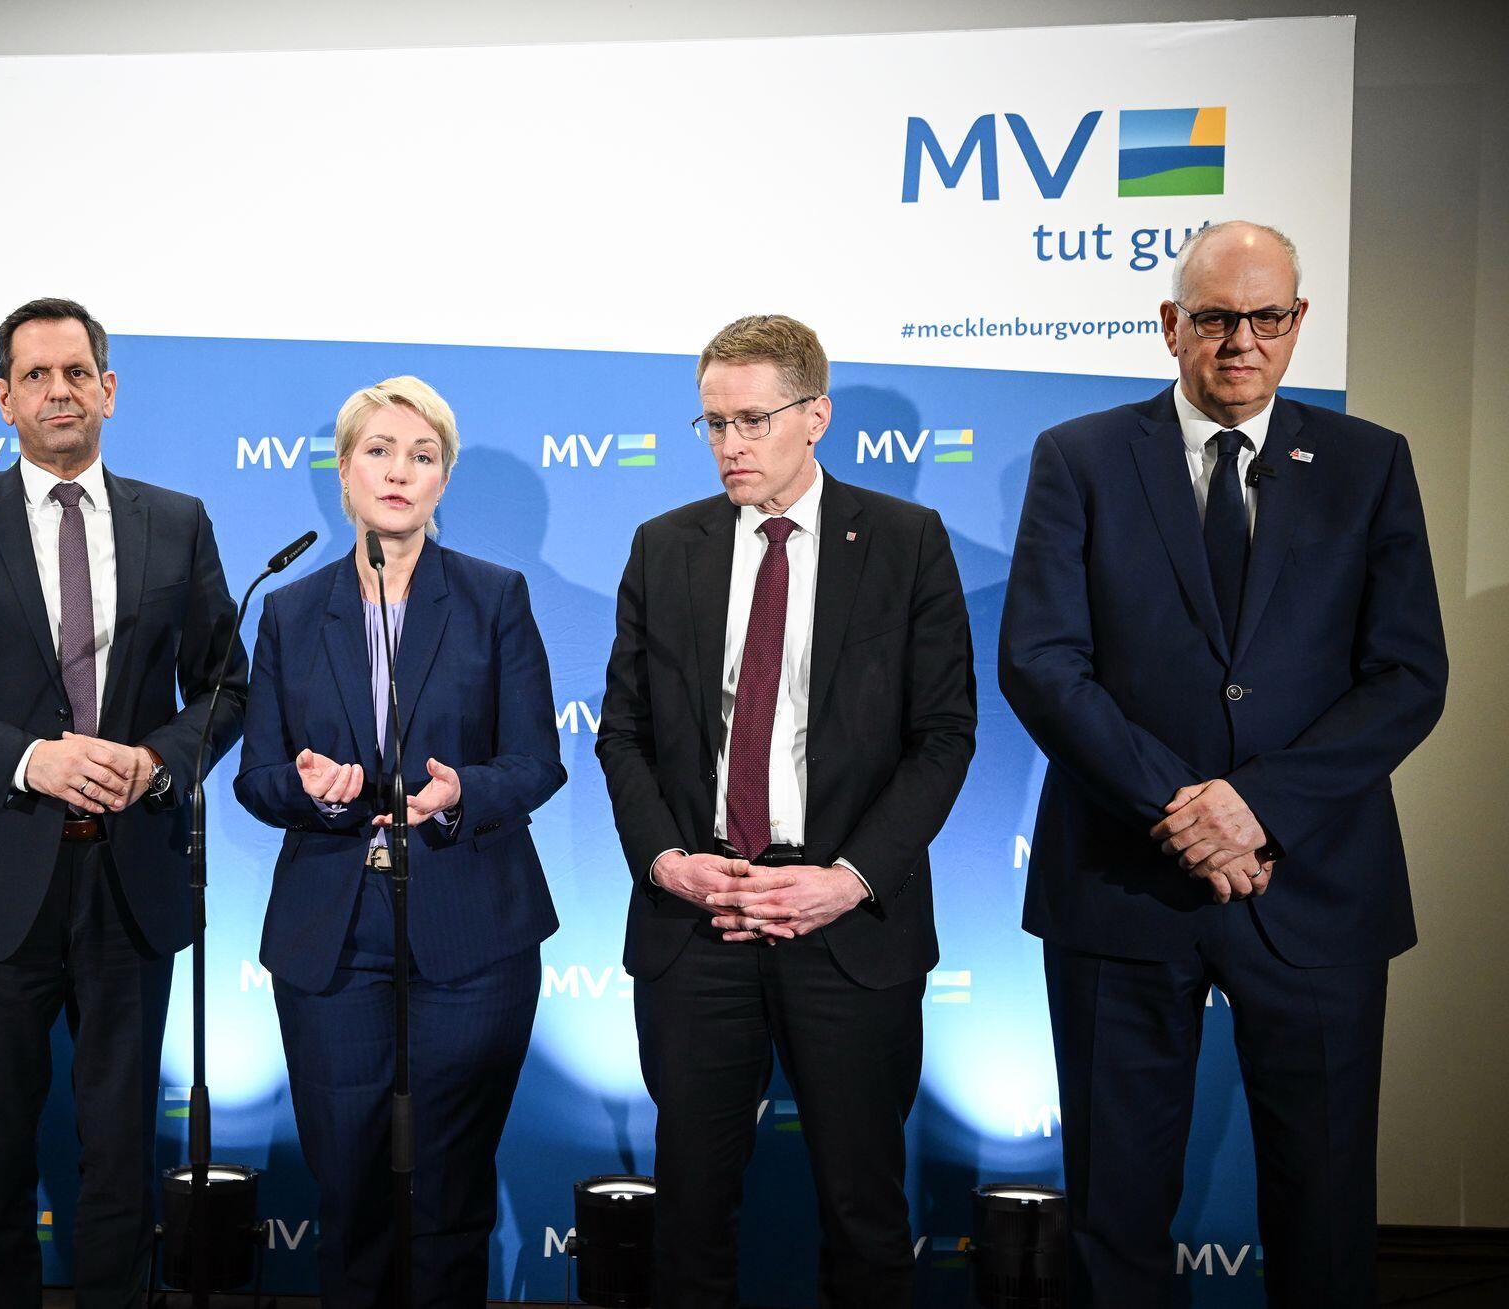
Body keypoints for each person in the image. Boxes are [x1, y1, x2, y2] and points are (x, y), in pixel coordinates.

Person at [998, 221, 1449, 1308]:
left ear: (1297, 322)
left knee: (1324, 1208)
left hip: (1314, 882)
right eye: (1213, 317)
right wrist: (1183, 809)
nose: (1240, 340)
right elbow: (1040, 661)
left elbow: (1405, 674)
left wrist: (1256, 806)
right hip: (1121, 882)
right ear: (1170, 325)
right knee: (1115, 1210)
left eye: (1265, 316)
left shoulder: (1369, 463)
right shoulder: (1079, 456)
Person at [0, 298, 245, 1309]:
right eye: (35, 375)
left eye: (76, 372)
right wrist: (29, 759)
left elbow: (225, 689)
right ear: (3, 398)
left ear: (109, 389)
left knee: (120, 1156)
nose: (58, 391)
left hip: (130, 879)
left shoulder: (177, 520)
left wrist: (156, 761)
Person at [596, 315, 976, 1307]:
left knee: (863, 1212)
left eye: (751, 420)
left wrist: (847, 880)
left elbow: (943, 737)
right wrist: (666, 861)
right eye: (712, 423)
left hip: (846, 925)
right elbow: (622, 734)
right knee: (689, 1216)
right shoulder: (663, 546)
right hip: (699, 920)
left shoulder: (905, 542)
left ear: (816, 416)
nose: (729, 444)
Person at [234, 375, 563, 1307]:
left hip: (473, 931)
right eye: (378, 451)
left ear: (443, 479)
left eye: (422, 456)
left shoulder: (495, 597)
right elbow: (258, 777)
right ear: (343, 471)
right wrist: (313, 790)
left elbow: (537, 761)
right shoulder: (290, 610)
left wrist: (461, 794)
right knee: (352, 1194)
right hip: (335, 939)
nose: (399, 471)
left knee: (451, 1198)